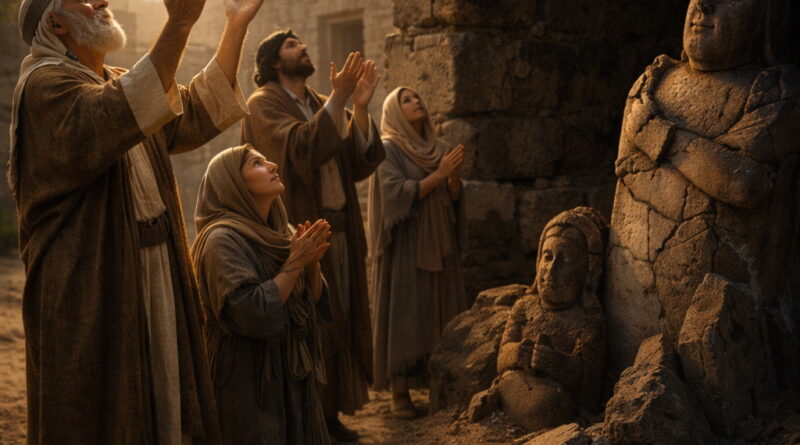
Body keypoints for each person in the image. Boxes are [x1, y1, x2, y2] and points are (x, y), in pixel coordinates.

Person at [9, 0, 261, 441]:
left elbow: (195, 114)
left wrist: (234, 25)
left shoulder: (117, 81)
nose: (102, 1)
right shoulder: (43, 85)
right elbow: (111, 115)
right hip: (92, 281)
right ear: (55, 23)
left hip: (154, 268)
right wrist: (180, 21)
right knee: (97, 403)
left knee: (164, 398)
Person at [241, 29, 385, 442]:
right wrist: (339, 100)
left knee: (340, 321)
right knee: (311, 324)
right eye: (291, 45)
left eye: (302, 43)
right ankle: (310, 417)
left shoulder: (319, 102)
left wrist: (358, 108)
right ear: (273, 62)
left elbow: (358, 163)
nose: (303, 47)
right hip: (300, 231)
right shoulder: (262, 104)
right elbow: (300, 151)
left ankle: (332, 412)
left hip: (340, 230)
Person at [191, 144, 332, 444]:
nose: (272, 166)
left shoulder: (282, 233)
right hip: (248, 382)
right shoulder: (221, 241)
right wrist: (295, 262)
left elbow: (314, 304)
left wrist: (311, 263)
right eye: (256, 163)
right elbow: (250, 312)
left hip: (291, 378)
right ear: (233, 185)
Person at [368, 86, 468, 418]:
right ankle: (399, 392)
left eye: (417, 97)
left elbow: (451, 197)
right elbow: (393, 193)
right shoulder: (388, 149)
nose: (416, 102)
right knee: (406, 311)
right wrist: (439, 174)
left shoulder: (438, 148)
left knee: (439, 310)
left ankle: (439, 383)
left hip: (439, 240)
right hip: (406, 244)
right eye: (406, 100)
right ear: (394, 112)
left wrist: (452, 181)